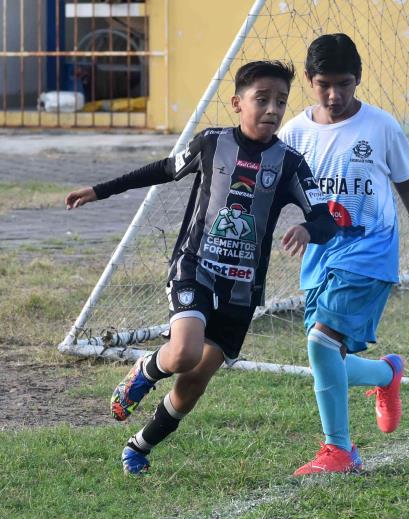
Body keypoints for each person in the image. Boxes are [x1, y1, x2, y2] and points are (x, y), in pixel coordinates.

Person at [65, 60, 337, 475]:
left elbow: (325, 218)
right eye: (261, 99)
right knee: (183, 352)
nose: (271, 109)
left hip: (243, 289)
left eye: (280, 102)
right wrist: (100, 190)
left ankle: (140, 445)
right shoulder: (212, 143)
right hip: (196, 267)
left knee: (194, 382)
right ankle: (143, 371)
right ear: (236, 103)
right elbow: (162, 168)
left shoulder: (289, 163)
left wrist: (305, 227)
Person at [278, 33, 409, 476]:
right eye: (324, 84)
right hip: (321, 257)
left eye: (344, 83)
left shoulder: (380, 127)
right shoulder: (294, 134)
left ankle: (339, 451)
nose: (335, 94)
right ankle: (386, 375)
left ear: (357, 79)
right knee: (329, 355)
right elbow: (272, 186)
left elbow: (407, 185)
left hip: (370, 252)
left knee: (321, 342)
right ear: (309, 80)